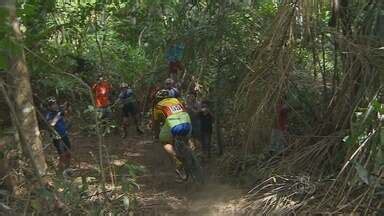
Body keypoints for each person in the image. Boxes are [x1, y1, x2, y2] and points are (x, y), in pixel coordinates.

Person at [152, 89, 192, 181]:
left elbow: (156, 124)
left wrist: (156, 135)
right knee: (186, 139)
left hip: (174, 125)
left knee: (164, 141)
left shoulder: (158, 106)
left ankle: (177, 161)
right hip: (187, 121)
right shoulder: (176, 100)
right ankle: (191, 151)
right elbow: (185, 108)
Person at [45, 97, 71, 170]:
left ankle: (68, 168)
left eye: (55, 104)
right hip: (57, 137)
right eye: (52, 104)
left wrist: (65, 108)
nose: (54, 105)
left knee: (68, 152)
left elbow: (66, 112)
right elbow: (51, 124)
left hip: (64, 134)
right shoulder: (49, 114)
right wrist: (59, 114)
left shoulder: (58, 111)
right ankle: (61, 170)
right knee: (62, 154)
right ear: (49, 106)